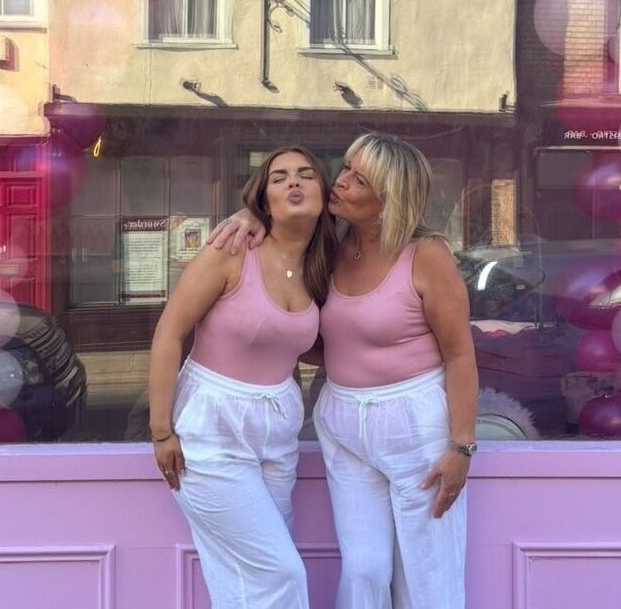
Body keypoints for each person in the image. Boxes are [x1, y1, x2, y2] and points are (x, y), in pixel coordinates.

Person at [209, 132, 478, 609]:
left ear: (388, 199)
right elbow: (313, 323)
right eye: (347, 167)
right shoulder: (329, 246)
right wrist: (249, 215)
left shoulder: (426, 255)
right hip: (343, 421)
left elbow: (459, 355)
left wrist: (461, 447)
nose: (341, 181)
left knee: (428, 570)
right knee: (364, 568)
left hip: (415, 424)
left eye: (360, 179)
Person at [148, 146, 337, 609]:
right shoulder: (232, 250)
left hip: (278, 428)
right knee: (281, 571)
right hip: (212, 426)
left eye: (306, 174)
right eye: (279, 177)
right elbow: (169, 332)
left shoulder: (322, 264)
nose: (293, 182)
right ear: (263, 197)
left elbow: (299, 342)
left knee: (248, 580)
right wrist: (161, 431)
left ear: (324, 192)